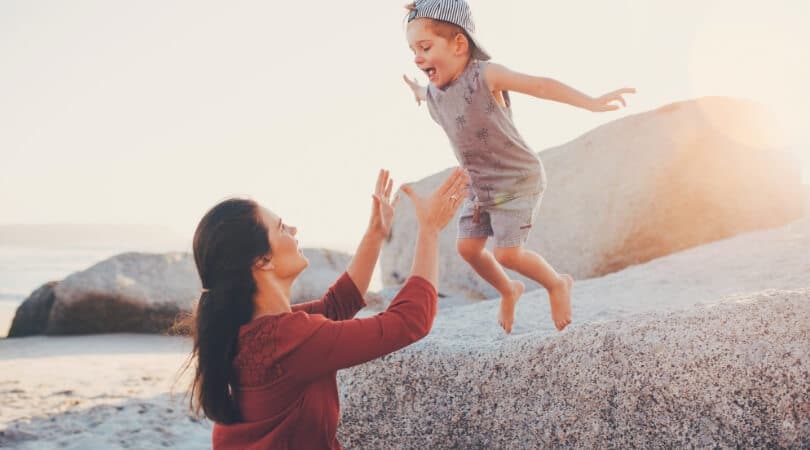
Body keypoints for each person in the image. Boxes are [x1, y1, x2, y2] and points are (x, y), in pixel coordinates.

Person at [183, 168, 469, 449]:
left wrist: (375, 234)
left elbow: (335, 306)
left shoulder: (251, 329)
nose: (294, 230)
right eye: (282, 227)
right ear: (262, 261)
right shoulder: (289, 337)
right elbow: (410, 321)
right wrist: (430, 231)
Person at [402, 0, 635, 333]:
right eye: (413, 49)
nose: (417, 57)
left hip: (517, 179)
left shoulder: (485, 75)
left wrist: (591, 103)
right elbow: (430, 95)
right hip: (481, 186)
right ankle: (509, 289)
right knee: (468, 248)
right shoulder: (435, 93)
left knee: (508, 254)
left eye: (425, 47)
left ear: (459, 44)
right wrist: (416, 91)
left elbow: (539, 85)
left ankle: (557, 284)